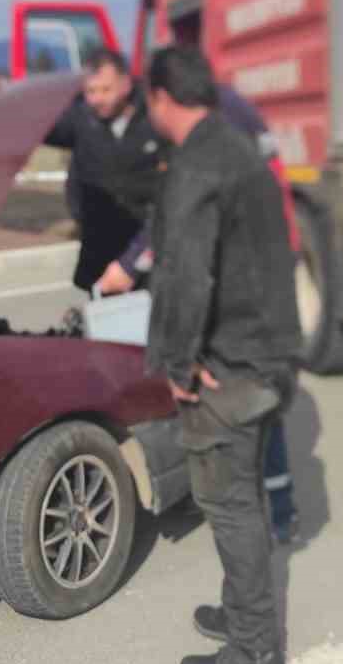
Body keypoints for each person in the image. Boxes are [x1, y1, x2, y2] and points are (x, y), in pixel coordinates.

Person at [143, 45, 301, 664]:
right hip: (269, 352)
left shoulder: (195, 165)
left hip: (231, 367)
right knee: (245, 496)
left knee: (227, 502)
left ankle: (256, 647)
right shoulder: (236, 147)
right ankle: (243, 611)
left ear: (160, 97)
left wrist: (179, 365)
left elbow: (186, 274)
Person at [104, 81, 305, 546]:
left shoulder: (207, 140)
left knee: (240, 400)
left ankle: (266, 511)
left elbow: (181, 219)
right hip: (249, 283)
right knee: (248, 401)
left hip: (240, 295)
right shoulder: (214, 125)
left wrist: (135, 261)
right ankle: (261, 506)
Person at [0, 49, 161, 292]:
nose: (96, 99)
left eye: (105, 90)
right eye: (90, 91)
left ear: (126, 84)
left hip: (147, 249)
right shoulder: (81, 119)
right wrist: (2, 92)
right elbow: (37, 119)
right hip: (99, 254)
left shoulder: (156, 119)